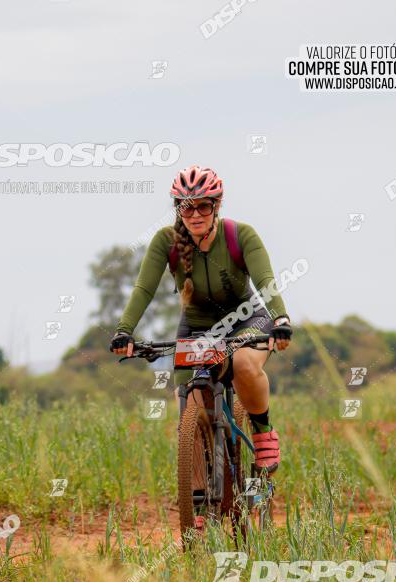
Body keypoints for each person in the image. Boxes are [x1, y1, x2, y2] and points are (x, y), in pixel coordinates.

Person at [110, 164, 292, 471]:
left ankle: (262, 433)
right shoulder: (165, 242)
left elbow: (266, 282)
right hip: (196, 326)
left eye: (203, 206)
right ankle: (201, 491)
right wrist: (124, 331)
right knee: (189, 408)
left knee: (245, 364)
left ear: (217, 205)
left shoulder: (240, 235)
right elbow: (144, 289)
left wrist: (281, 320)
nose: (194, 215)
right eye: (186, 207)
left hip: (246, 319)